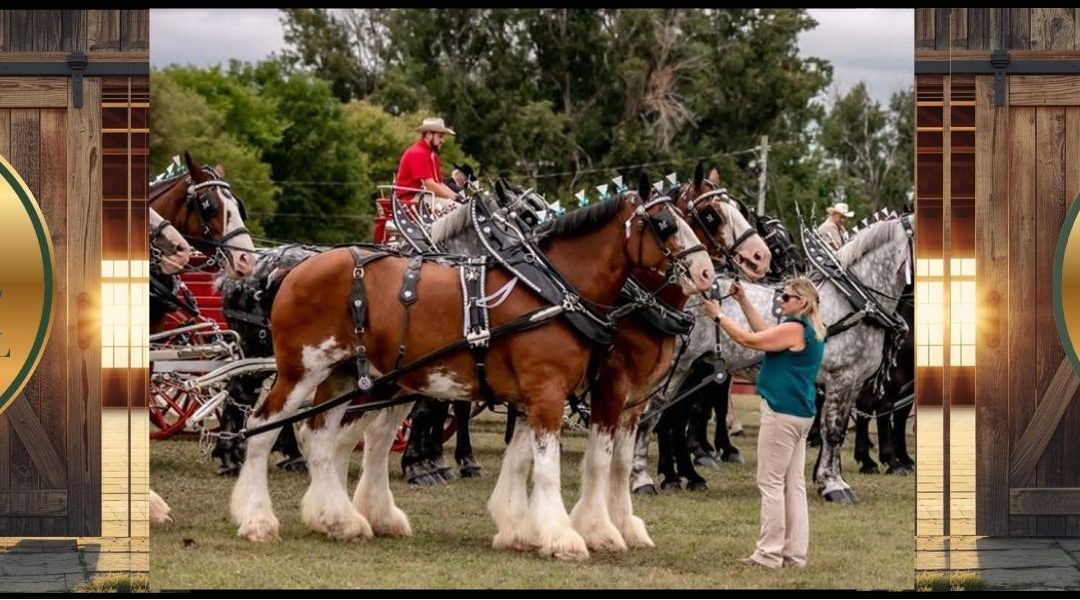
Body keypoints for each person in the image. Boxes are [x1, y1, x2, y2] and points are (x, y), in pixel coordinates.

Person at [703, 277, 826, 569]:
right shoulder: (809, 329)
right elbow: (765, 333)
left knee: (770, 482)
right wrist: (743, 300)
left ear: (802, 302)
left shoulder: (795, 328)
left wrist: (719, 316)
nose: (781, 301)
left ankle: (768, 553)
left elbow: (749, 340)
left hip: (781, 411)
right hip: (800, 412)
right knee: (793, 485)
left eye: (786, 297)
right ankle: (794, 554)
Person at [394, 117, 460, 213]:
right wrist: (454, 198)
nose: (442, 140)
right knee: (458, 209)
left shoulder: (431, 155)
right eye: (440, 136)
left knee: (460, 206)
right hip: (410, 199)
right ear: (429, 135)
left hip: (423, 196)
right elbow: (430, 185)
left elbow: (439, 184)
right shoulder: (418, 152)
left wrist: (458, 197)